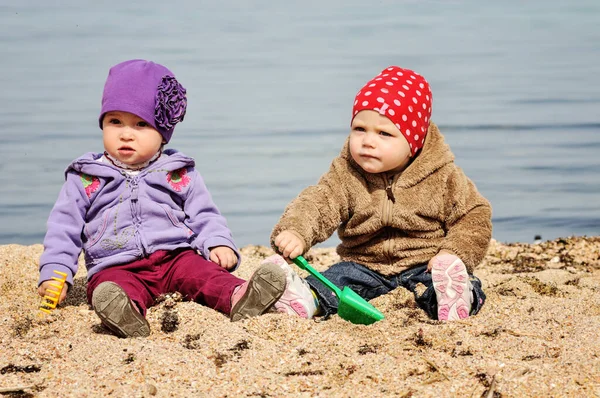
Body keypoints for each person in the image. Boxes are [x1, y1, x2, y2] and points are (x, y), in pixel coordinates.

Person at [37, 59, 287, 338]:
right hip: (115, 263)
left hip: (176, 257)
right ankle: (125, 313)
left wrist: (218, 242)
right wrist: (56, 272)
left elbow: (204, 214)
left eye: (141, 124)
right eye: (115, 121)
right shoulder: (86, 177)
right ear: (102, 123)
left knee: (204, 275)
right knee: (111, 288)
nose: (126, 133)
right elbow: (64, 228)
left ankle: (240, 296)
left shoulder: (177, 172)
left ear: (164, 134)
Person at [269, 66, 492, 322]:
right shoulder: (346, 174)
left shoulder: (442, 176)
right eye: (359, 129)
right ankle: (306, 299)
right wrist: (296, 231)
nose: (368, 141)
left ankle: (455, 296)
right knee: (335, 281)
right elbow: (319, 203)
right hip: (364, 265)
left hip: (424, 263)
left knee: (455, 284)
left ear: (414, 142)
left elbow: (473, 216)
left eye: (384, 133)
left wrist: (454, 252)